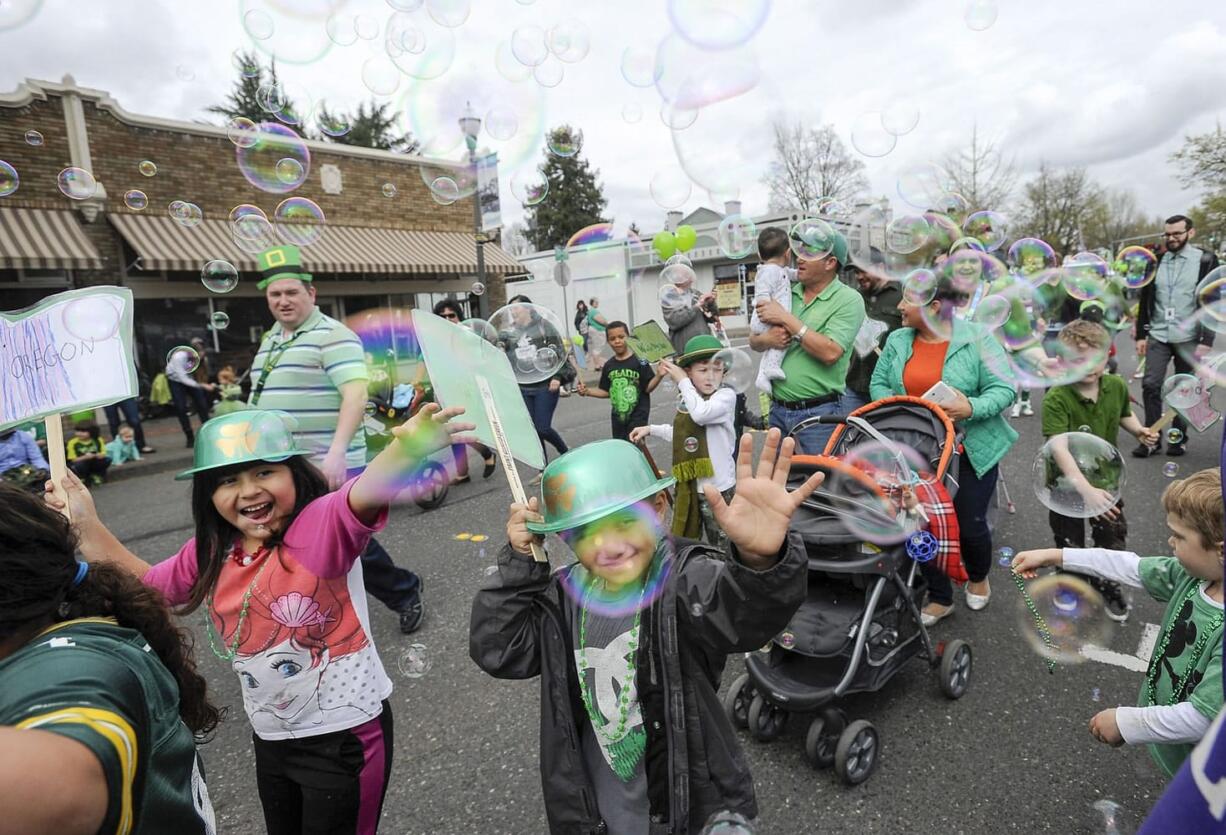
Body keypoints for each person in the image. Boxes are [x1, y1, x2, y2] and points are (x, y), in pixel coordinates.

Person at [47, 405, 473, 834]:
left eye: (264, 472)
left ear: (294, 474)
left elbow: (358, 496)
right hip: (272, 739)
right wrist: (85, 523)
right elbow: (149, 588)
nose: (248, 490)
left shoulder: (319, 527)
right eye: (228, 480)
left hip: (345, 739)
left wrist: (406, 449)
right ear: (208, 495)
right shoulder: (212, 550)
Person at [469, 430, 821, 834]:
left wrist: (760, 561)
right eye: (586, 533)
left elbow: (744, 614)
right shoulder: (561, 599)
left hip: (686, 797)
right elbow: (499, 648)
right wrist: (519, 566)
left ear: (658, 509)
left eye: (625, 522)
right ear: (563, 537)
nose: (610, 546)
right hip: (600, 806)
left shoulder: (684, 579)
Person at [0, 483, 221, 834]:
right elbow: (161, 585)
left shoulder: (67, 666)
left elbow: (64, 786)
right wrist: (88, 527)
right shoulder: (90, 630)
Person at [249, 245, 426, 635]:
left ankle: (405, 590)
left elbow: (355, 394)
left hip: (328, 463)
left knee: (350, 539)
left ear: (311, 294)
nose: (283, 300)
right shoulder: (273, 339)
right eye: (275, 294)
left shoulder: (332, 335)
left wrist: (337, 452)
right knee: (296, 540)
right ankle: (311, 606)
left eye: (291, 292)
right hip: (284, 466)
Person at [1011, 468, 1224, 778]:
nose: (1170, 542)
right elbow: (1130, 566)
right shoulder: (1193, 576)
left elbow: (1203, 717)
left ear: (1222, 550)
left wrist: (1126, 723)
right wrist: (1056, 555)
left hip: (1205, 773)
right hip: (1176, 744)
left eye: (1179, 536)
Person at [870, 275, 1017, 625]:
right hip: (916, 450)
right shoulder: (898, 339)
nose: (900, 307)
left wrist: (971, 408)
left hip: (968, 449)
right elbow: (878, 382)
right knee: (921, 523)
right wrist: (898, 408)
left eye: (908, 301)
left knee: (969, 524)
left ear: (935, 307)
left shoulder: (978, 337)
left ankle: (978, 576)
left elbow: (1004, 388)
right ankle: (939, 595)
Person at [1040, 319, 1160, 621]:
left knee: (1112, 536)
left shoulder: (1116, 385)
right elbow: (1059, 448)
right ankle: (1072, 585)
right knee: (1069, 541)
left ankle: (1108, 584)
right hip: (1066, 487)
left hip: (1105, 481)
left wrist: (1139, 431)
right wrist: (1085, 490)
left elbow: (1124, 415)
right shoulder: (1057, 397)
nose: (1090, 367)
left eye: (1097, 358)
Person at [751, 230, 866, 454]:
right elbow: (754, 341)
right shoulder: (786, 289)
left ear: (830, 263)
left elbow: (830, 352)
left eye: (809, 253)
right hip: (778, 409)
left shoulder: (848, 299)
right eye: (800, 251)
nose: (800, 258)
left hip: (820, 413)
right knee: (780, 483)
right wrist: (767, 338)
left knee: (819, 482)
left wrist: (785, 318)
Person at [630, 335, 737, 547]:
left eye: (717, 369)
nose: (710, 376)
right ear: (689, 371)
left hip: (719, 488)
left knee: (725, 546)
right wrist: (651, 429)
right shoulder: (690, 398)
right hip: (692, 486)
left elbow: (701, 415)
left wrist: (683, 382)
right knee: (690, 542)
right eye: (703, 369)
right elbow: (684, 437)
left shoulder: (725, 396)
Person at [1134, 214, 1221, 458]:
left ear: (1190, 233)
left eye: (1177, 234)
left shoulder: (1205, 260)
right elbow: (1145, 299)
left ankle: (1179, 438)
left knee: (1185, 388)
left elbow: (1212, 302)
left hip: (1190, 336)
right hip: (1159, 334)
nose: (1171, 239)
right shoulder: (1157, 261)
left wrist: (1207, 340)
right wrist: (1141, 334)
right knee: (1151, 384)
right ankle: (1151, 438)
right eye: (1167, 234)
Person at [503, 294, 574, 480]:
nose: (513, 312)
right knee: (533, 431)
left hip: (546, 384)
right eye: (511, 309)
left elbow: (559, 352)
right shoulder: (511, 332)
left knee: (542, 427)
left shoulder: (544, 326)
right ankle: (543, 469)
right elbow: (509, 358)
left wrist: (557, 377)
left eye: (516, 308)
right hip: (525, 386)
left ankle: (565, 452)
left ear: (528, 308)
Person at [577, 320, 663, 441]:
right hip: (618, 419)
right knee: (621, 448)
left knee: (635, 447)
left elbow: (648, 388)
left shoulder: (641, 360)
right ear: (608, 341)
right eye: (612, 339)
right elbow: (606, 391)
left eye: (621, 337)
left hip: (638, 416)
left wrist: (659, 375)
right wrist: (588, 391)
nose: (617, 341)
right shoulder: (608, 365)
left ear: (628, 337)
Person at [843, 250, 903, 411]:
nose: (859, 276)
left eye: (863, 270)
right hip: (854, 385)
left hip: (888, 386)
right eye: (856, 272)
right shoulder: (854, 297)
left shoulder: (902, 296)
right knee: (850, 433)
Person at [750, 226, 796, 393]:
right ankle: (771, 368)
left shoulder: (779, 270)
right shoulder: (768, 271)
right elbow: (762, 291)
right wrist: (765, 308)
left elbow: (791, 274)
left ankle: (763, 375)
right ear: (788, 253)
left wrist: (800, 275)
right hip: (766, 316)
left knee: (774, 345)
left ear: (760, 255)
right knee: (783, 338)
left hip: (770, 315)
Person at [165, 343, 215, 448]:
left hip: (190, 379)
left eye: (201, 356)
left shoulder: (199, 359)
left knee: (202, 404)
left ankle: (209, 433)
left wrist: (202, 382)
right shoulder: (178, 358)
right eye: (198, 356)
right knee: (181, 408)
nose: (200, 358)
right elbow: (183, 378)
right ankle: (189, 437)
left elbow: (197, 374)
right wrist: (202, 385)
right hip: (175, 380)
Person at [662, 266, 715, 356]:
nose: (691, 278)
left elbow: (712, 318)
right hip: (684, 351)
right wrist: (696, 306)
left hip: (704, 345)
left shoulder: (696, 294)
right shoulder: (669, 297)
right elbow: (675, 321)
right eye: (687, 274)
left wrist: (711, 303)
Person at [67, 421, 110, 486]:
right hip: (81, 463)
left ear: (92, 432)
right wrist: (85, 457)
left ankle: (96, 475)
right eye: (77, 431)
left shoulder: (97, 440)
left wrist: (97, 455)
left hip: (94, 461)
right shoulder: (73, 443)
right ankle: (82, 477)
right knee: (79, 465)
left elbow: (103, 453)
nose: (79, 434)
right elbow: (73, 459)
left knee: (107, 460)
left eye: (83, 432)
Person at [586, 298, 609, 372]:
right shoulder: (593, 311)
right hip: (598, 330)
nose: (597, 303)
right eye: (596, 302)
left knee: (597, 347)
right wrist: (607, 323)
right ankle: (597, 365)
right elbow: (601, 320)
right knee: (598, 348)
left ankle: (598, 364)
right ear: (592, 303)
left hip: (595, 330)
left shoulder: (591, 311)